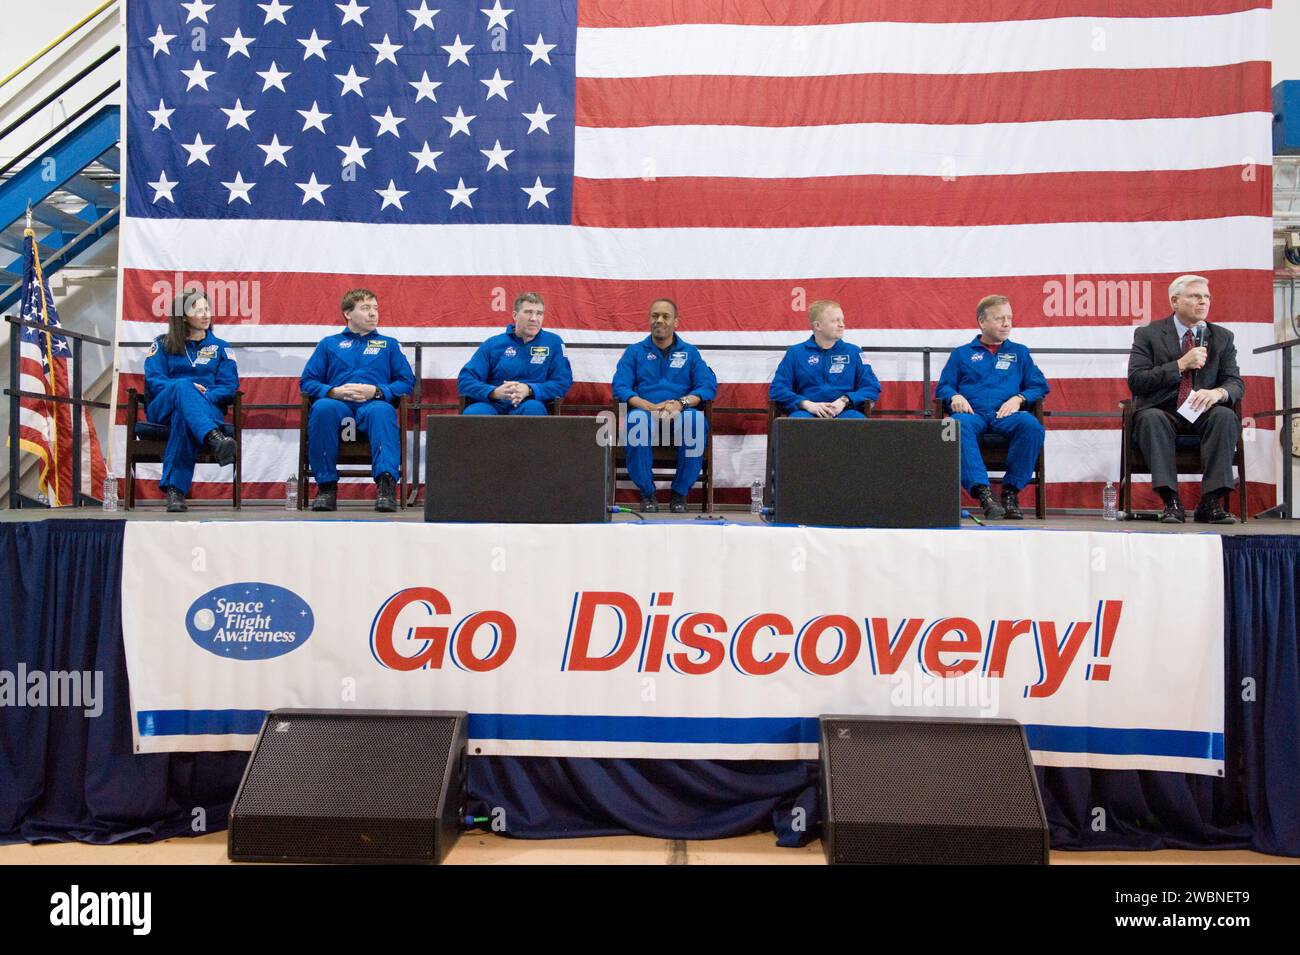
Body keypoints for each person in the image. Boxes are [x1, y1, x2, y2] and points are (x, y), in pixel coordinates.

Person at [1127, 274, 1243, 524]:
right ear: (1175, 301)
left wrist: (1217, 393)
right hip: (1163, 408)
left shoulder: (1222, 337)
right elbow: (1136, 380)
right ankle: (1171, 501)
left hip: (1203, 410)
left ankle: (1211, 502)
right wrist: (1180, 365)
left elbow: (1235, 382)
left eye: (1206, 297)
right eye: (1195, 296)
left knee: (1225, 416)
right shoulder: (1148, 334)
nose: (1203, 302)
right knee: (1151, 419)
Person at [299, 288, 415, 512]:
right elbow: (307, 381)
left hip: (373, 404)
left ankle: (385, 487)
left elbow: (406, 382)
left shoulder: (389, 344)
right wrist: (333, 391)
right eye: (365, 308)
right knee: (322, 408)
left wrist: (377, 391)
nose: (373, 314)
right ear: (348, 313)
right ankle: (326, 487)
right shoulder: (329, 344)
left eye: (375, 308)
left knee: (382, 412)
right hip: (338, 403)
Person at [935, 295, 1049, 520]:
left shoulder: (1020, 353)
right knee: (955, 426)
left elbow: (1039, 385)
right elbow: (943, 388)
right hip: (973, 415)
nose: (1007, 323)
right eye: (999, 319)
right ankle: (984, 494)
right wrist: (954, 395)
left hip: (1006, 415)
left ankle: (1010, 493)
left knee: (1032, 426)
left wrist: (1019, 398)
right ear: (982, 322)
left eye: (1009, 318)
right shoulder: (961, 354)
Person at [612, 298, 718, 513]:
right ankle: (647, 493)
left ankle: (679, 494)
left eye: (665, 316)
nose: (659, 320)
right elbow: (620, 387)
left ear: (676, 322)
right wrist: (648, 406)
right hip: (646, 413)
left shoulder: (690, 352)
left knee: (695, 420)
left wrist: (680, 403)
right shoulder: (634, 352)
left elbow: (707, 386)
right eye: (655, 315)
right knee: (636, 420)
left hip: (680, 414)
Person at [143, 289, 239, 513]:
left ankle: (175, 491)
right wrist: (184, 389)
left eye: (207, 309)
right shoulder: (162, 344)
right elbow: (154, 380)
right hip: (163, 408)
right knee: (183, 385)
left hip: (205, 408)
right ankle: (215, 438)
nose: (206, 315)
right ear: (184, 317)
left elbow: (229, 386)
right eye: (198, 310)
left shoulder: (222, 348)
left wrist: (202, 396)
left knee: (184, 416)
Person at [457, 292, 572, 415]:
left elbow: (562, 382)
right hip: (493, 403)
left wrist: (529, 389)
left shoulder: (553, 342)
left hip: (530, 401)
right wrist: (494, 392)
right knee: (474, 414)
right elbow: (465, 380)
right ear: (515, 315)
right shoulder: (493, 344)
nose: (534, 318)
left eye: (539, 313)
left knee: (533, 409)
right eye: (528, 312)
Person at [769, 300, 881, 422]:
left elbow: (871, 386)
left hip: (846, 411)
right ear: (818, 326)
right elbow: (778, 389)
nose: (842, 324)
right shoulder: (795, 353)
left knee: (858, 422)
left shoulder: (854, 352)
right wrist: (807, 404)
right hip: (806, 413)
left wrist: (844, 401)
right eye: (834, 321)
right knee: (795, 423)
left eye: (842, 320)